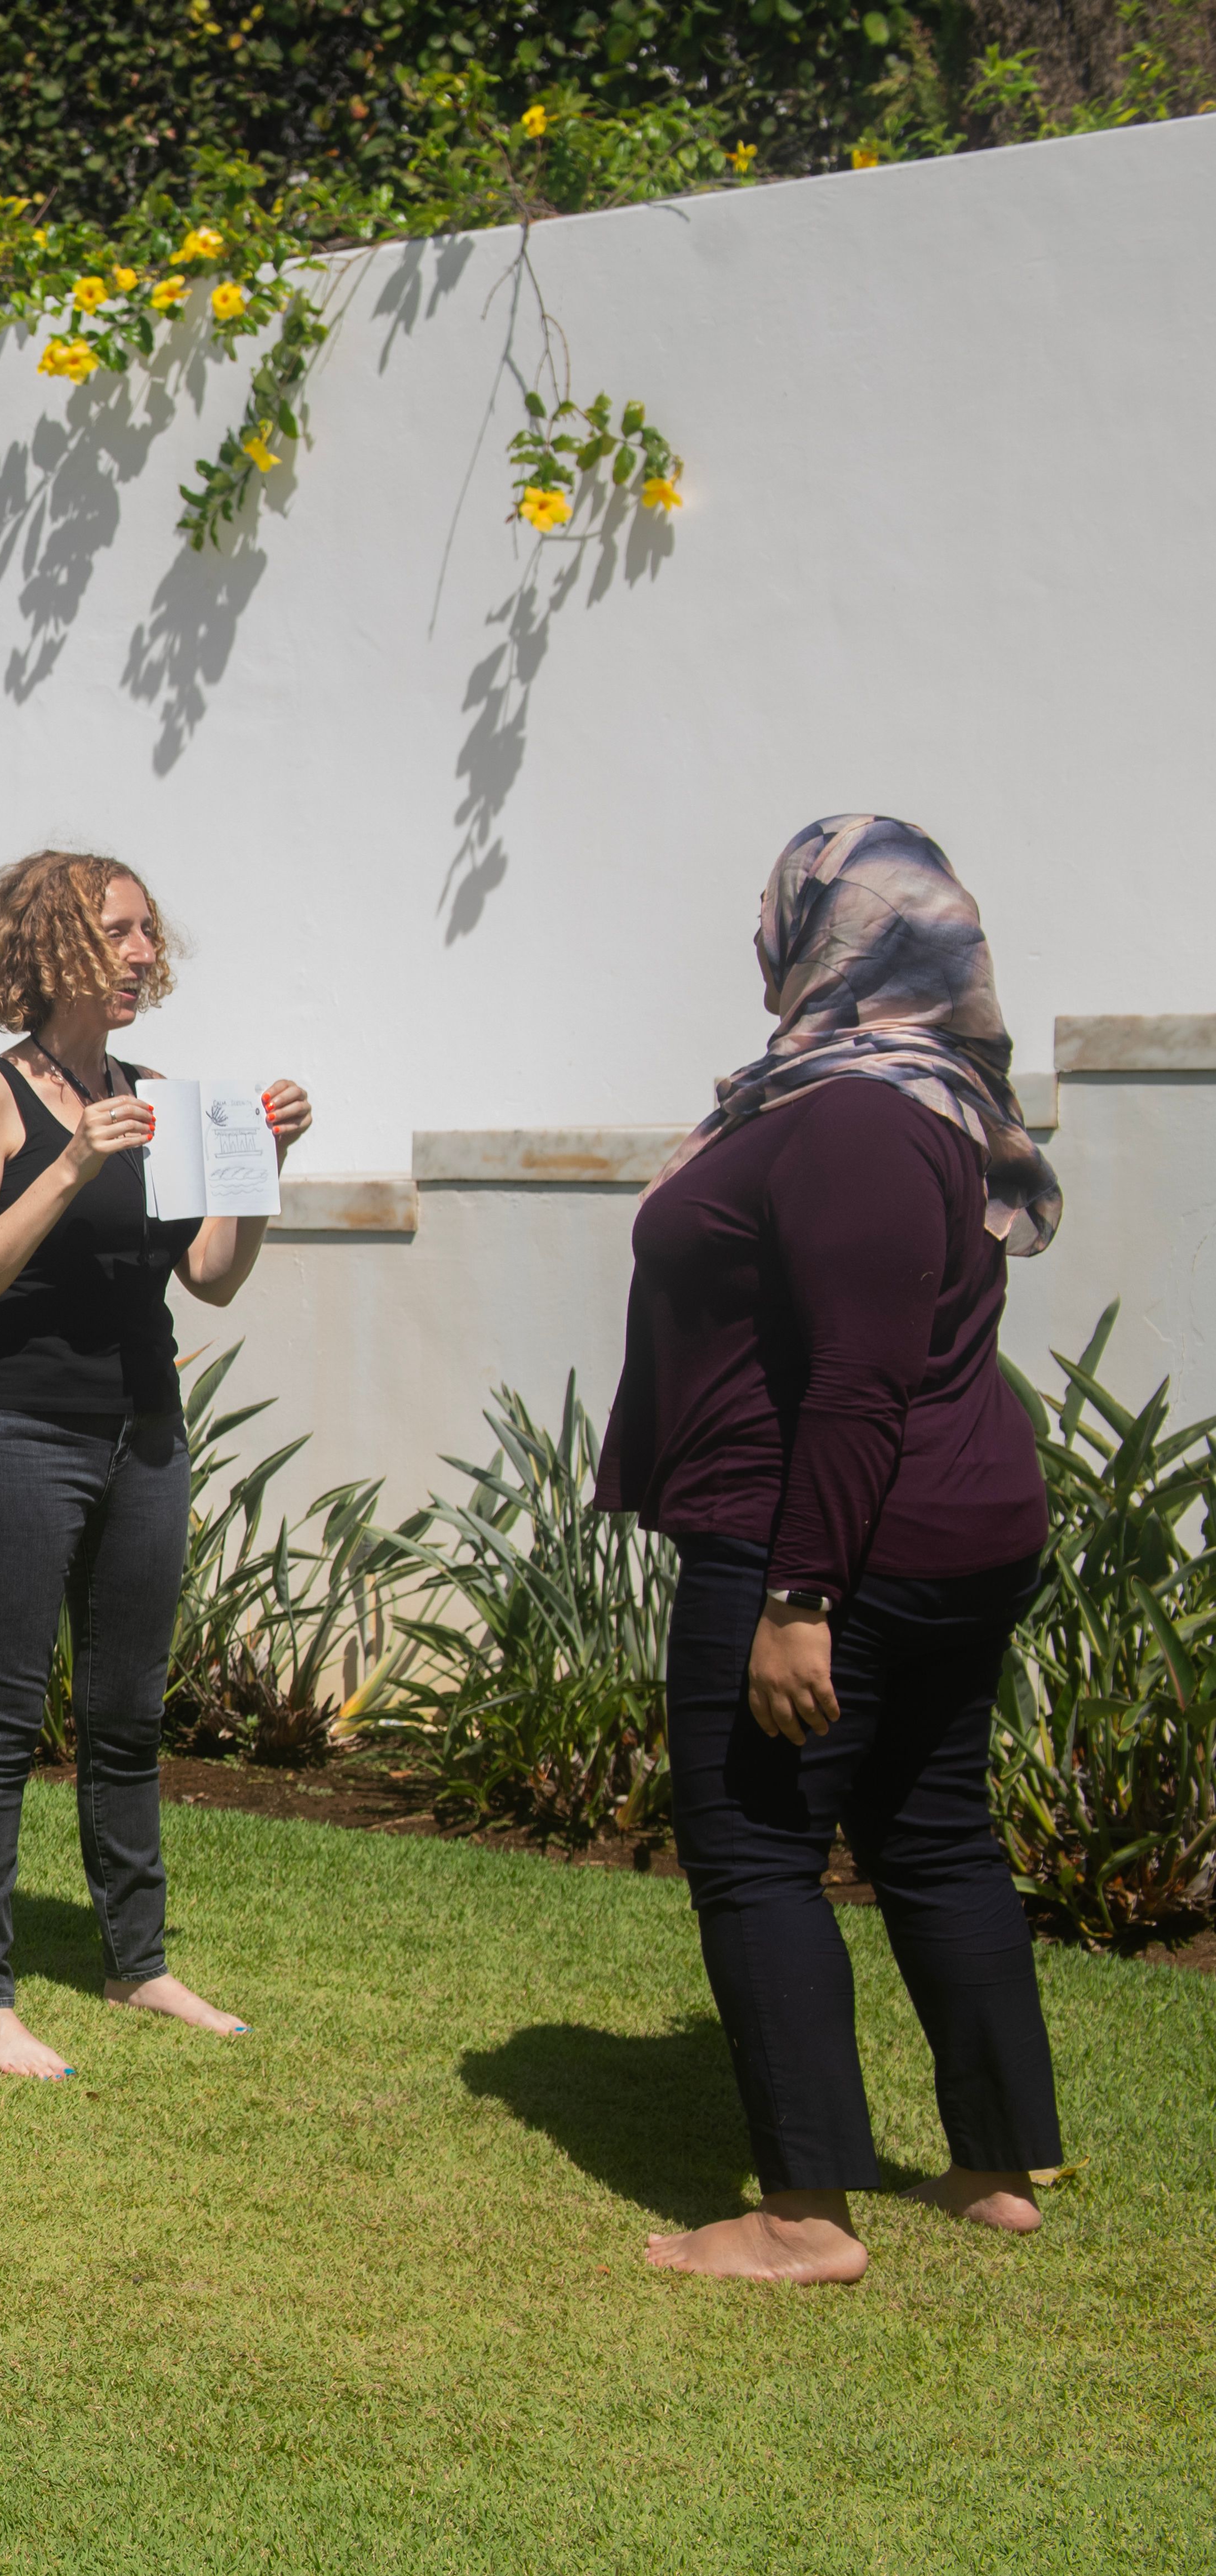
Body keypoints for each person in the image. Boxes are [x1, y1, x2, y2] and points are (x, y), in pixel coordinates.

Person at [594, 814, 1064, 2286]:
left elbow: (859, 1377)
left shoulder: (857, 1113)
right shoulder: (914, 1095)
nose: (757, 933)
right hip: (938, 1522)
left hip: (820, 1531)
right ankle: (996, 2160)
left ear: (841, 932)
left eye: (776, 910)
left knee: (754, 1854)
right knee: (930, 1828)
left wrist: (797, 1596)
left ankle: (802, 2213)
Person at [0, 851, 312, 2080]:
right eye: (122, 932)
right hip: (16, 1430)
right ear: (51, 950)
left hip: (143, 1428)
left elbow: (209, 1276)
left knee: (128, 1715)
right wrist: (77, 1162)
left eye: (148, 933)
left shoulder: (159, 1095)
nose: (146, 952)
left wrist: (258, 1164)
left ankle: (135, 1964)